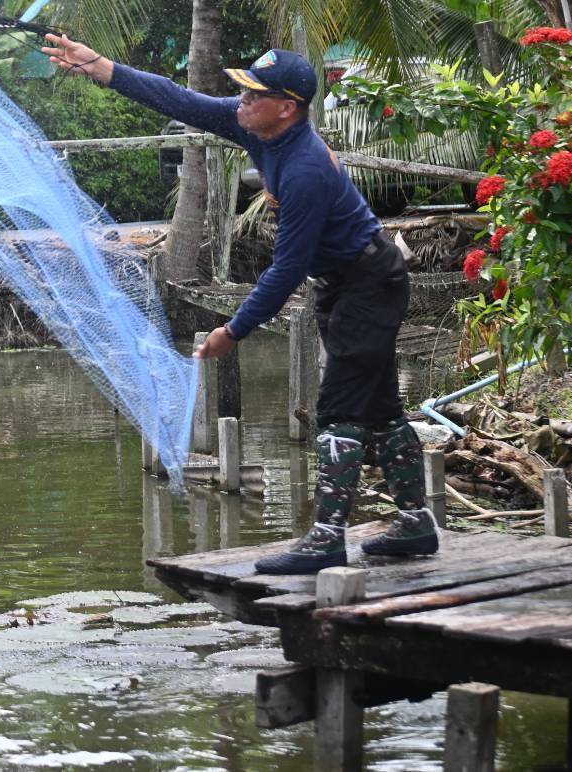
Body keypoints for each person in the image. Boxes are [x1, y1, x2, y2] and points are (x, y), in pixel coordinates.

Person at [42, 36, 436, 574]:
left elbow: (287, 267)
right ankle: (416, 524)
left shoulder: (304, 171)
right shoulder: (256, 126)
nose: (241, 102)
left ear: (288, 107)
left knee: (340, 410)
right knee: (382, 408)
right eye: (243, 92)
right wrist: (102, 68)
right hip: (346, 282)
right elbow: (178, 100)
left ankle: (326, 538)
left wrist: (236, 328)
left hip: (369, 282)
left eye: (254, 95)